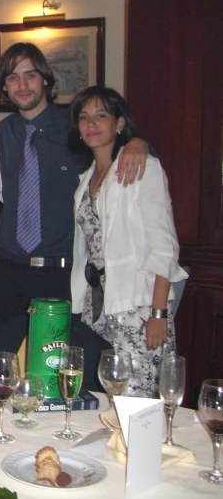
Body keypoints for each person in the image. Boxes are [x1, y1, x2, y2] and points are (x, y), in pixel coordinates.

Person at [0, 43, 149, 330]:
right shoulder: (2, 133)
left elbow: (126, 152)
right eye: (13, 77)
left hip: (61, 272)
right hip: (9, 270)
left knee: (56, 361)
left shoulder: (76, 128)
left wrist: (136, 142)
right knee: (6, 356)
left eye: (31, 75)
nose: (22, 85)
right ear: (4, 85)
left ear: (46, 79)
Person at [67, 86, 187, 397]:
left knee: (137, 404)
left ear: (119, 124)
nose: (91, 124)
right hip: (98, 308)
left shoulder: (142, 167)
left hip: (138, 308)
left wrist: (158, 314)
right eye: (83, 117)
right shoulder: (86, 179)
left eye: (101, 116)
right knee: (103, 402)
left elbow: (165, 247)